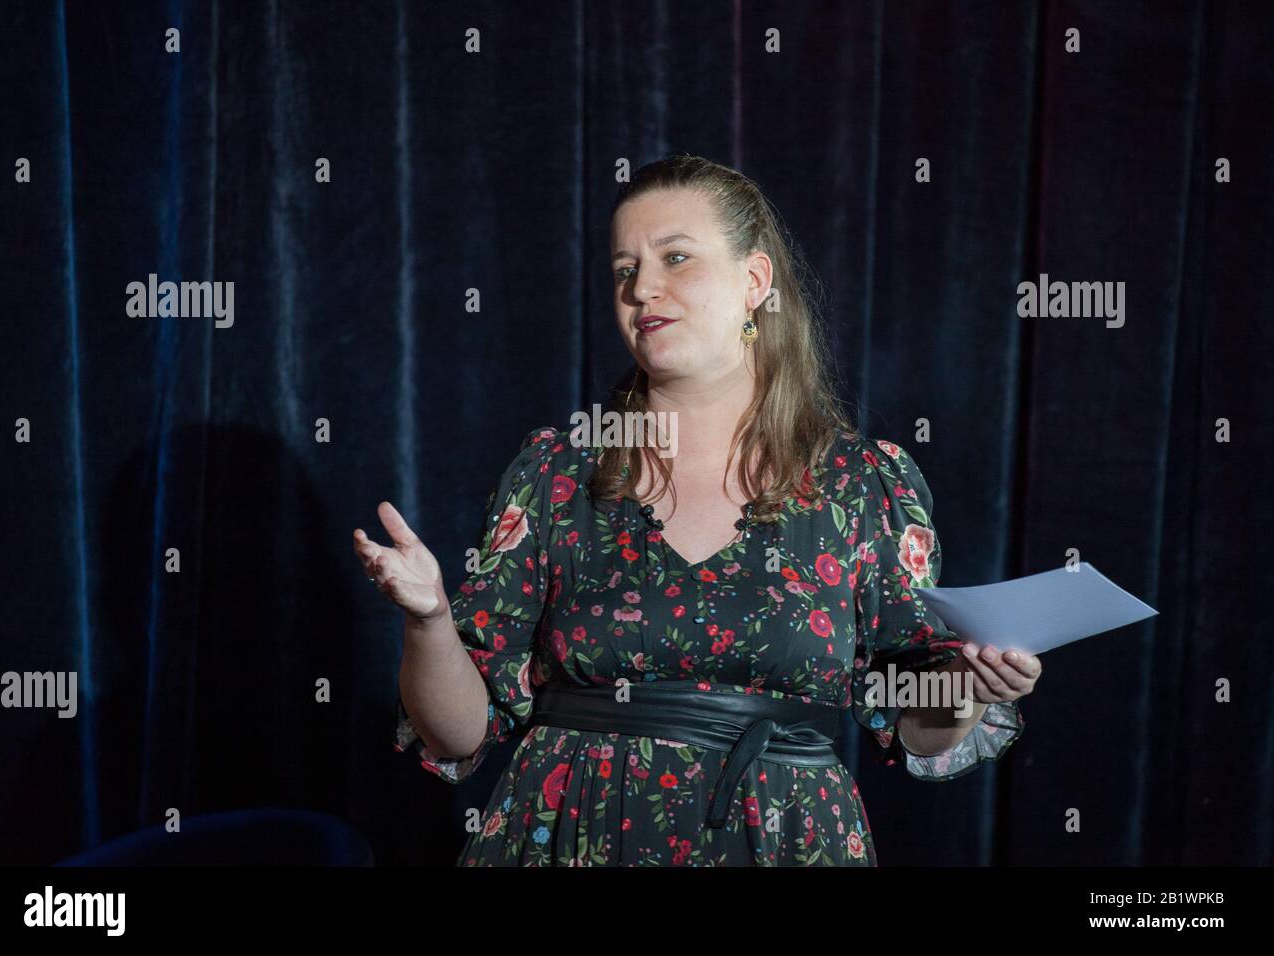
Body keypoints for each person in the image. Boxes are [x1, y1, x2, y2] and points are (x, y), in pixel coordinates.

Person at [353, 154, 1040, 866]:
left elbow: (915, 722)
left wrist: (968, 684)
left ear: (754, 283)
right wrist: (430, 619)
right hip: (569, 838)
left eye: (675, 258)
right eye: (625, 270)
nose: (642, 288)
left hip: (785, 841)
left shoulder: (863, 483)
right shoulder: (557, 473)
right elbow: (454, 736)